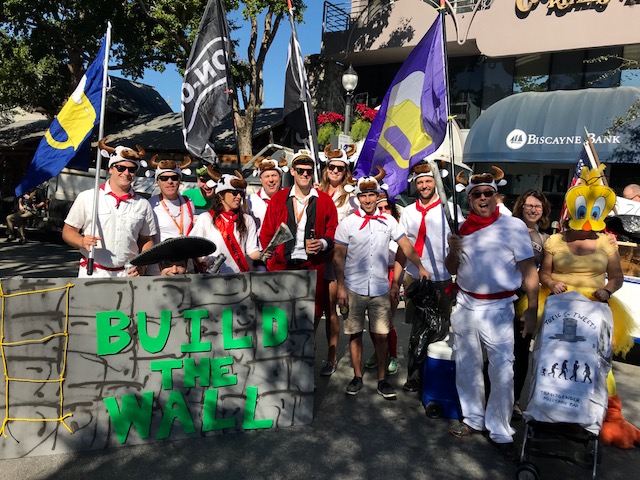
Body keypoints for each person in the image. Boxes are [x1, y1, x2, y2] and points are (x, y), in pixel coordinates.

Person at [538, 164, 640, 449]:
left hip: (595, 306)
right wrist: (549, 283)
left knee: (599, 364)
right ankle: (551, 411)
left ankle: (611, 417)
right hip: (558, 305)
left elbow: (617, 277)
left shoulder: (607, 243)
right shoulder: (556, 240)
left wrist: (607, 290)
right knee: (551, 360)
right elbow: (544, 273)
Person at [445, 166, 539, 461]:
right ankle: (472, 418)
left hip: (498, 307)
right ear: (469, 199)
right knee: (467, 364)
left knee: (502, 369)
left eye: (488, 193)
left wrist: (533, 309)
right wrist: (452, 250)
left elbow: (528, 270)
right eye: (477, 195)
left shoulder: (513, 226)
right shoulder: (460, 228)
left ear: (496, 196)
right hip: (465, 304)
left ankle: (499, 428)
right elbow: (451, 269)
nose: (483, 198)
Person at [334, 167, 430, 399]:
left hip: (379, 289)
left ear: (378, 195)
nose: (368, 199)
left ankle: (382, 380)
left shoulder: (388, 220)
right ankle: (357, 377)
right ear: (358, 198)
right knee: (355, 334)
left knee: (381, 336)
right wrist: (341, 287)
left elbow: (404, 247)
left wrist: (419, 267)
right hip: (354, 288)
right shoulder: (347, 223)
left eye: (371, 195)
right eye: (363, 195)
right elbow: (338, 256)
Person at [392, 161, 464, 392]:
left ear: (436, 183)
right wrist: (396, 279)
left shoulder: (451, 210)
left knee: (439, 327)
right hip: (415, 278)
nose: (424, 185)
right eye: (420, 182)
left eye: (428, 181)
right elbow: (403, 247)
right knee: (416, 329)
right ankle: (414, 375)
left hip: (442, 277)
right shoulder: (409, 212)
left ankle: (434, 374)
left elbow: (463, 244)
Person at [260, 150, 338, 340]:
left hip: (312, 268)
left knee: (312, 315)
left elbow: (333, 229)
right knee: (280, 318)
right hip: (282, 268)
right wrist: (271, 262)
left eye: (309, 171)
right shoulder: (278, 199)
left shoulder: (325, 200)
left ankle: (308, 357)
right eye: (300, 170)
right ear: (292, 172)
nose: (305, 174)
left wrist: (323, 243)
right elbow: (266, 233)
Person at [62, 138, 156, 278]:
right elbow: (68, 231)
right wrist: (81, 241)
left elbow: (147, 239)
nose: (126, 173)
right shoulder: (88, 197)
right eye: (120, 168)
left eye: (131, 169)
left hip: (128, 274)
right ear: (111, 169)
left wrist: (143, 263)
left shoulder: (143, 204)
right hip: (93, 272)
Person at [510, 189, 551, 421]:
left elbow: (547, 271)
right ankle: (488, 394)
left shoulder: (546, 239)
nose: (533, 209)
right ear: (521, 207)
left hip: (526, 298)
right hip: (503, 295)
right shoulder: (507, 229)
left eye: (538, 206)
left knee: (520, 351)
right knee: (497, 351)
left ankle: (514, 400)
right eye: (529, 205)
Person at [317, 145, 356, 376]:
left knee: (334, 311)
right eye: (331, 167)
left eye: (340, 168)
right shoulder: (315, 191)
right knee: (315, 310)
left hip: (337, 260)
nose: (335, 171)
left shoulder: (351, 197)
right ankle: (308, 352)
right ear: (326, 168)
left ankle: (333, 357)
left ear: (345, 171)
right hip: (315, 257)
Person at [190, 172, 261, 274]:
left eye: (241, 193)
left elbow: (252, 251)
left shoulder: (247, 220)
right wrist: (201, 264)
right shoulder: (206, 218)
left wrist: (266, 254)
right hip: (213, 279)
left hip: (239, 278)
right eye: (234, 193)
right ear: (221, 195)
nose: (239, 197)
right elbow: (193, 247)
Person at [364, 190, 402, 375]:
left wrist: (396, 283)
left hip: (391, 274)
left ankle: (393, 355)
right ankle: (379, 352)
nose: (384, 210)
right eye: (380, 208)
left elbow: (402, 255)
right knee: (373, 321)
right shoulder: (369, 224)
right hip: (371, 274)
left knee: (387, 321)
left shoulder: (398, 226)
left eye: (387, 207)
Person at [246, 156, 288, 236]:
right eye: (267, 176)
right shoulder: (250, 201)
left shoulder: (289, 197)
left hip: (285, 247)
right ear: (260, 179)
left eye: (274, 175)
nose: (271, 180)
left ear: (280, 177)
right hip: (260, 247)